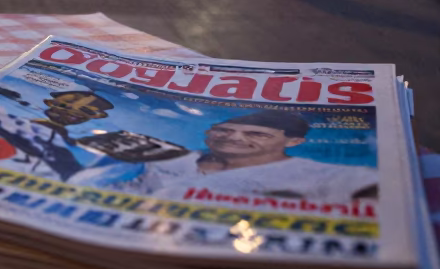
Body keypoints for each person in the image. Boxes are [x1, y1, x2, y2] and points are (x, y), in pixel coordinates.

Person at [92, 111, 378, 204]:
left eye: (257, 134)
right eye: (224, 130)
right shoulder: (166, 158)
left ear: (294, 142)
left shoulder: (327, 177)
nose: (234, 138)